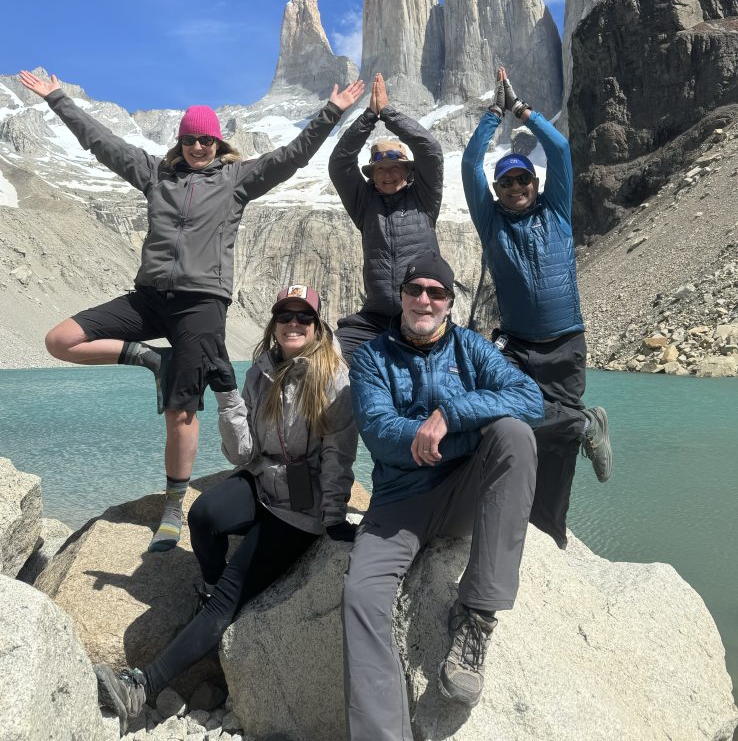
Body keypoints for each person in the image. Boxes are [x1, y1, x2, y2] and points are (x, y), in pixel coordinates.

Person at [18, 69, 364, 550]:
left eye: (206, 140)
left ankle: (172, 508)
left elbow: (293, 156)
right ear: (179, 143)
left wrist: (331, 112)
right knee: (60, 339)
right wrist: (57, 98)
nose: (198, 147)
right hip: (148, 297)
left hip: (201, 305)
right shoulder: (155, 174)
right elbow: (101, 142)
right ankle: (149, 358)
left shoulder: (238, 180)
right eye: (189, 140)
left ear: (219, 144)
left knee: (180, 412)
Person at [94, 283, 358, 731]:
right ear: (274, 324)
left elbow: (339, 453)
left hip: (300, 501)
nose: (293, 323)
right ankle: (211, 593)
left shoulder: (334, 378)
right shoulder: (261, 371)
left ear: (317, 326)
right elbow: (242, 455)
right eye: (285, 315)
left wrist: (332, 516)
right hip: (262, 477)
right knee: (204, 516)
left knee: (227, 601)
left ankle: (142, 686)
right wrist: (227, 396)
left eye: (304, 317)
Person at [343, 254, 544, 738]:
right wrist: (460, 434)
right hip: (399, 501)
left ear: (451, 303)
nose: (425, 300)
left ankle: (476, 617)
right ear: (402, 296)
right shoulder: (371, 358)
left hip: (466, 495)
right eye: (416, 290)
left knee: (515, 435)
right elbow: (383, 434)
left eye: (437, 292)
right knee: (360, 595)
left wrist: (452, 414)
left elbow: (531, 398)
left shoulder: (472, 349)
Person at [461, 66, 612, 550]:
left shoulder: (556, 211)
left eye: (523, 179)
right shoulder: (492, 222)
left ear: (534, 183)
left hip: (567, 344)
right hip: (519, 349)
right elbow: (469, 166)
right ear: (499, 189)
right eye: (507, 182)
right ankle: (586, 423)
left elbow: (562, 151)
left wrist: (523, 110)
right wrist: (493, 115)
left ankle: (551, 533)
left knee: (559, 450)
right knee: (505, 413)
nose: (516, 187)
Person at [328, 71, 444, 365]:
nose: (388, 175)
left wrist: (389, 114)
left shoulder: (425, 199)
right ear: (372, 174)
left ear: (408, 172)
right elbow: (340, 163)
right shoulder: (364, 203)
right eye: (381, 170)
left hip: (422, 311)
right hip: (375, 318)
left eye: (395, 168)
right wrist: (369, 116)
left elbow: (429, 150)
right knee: (330, 356)